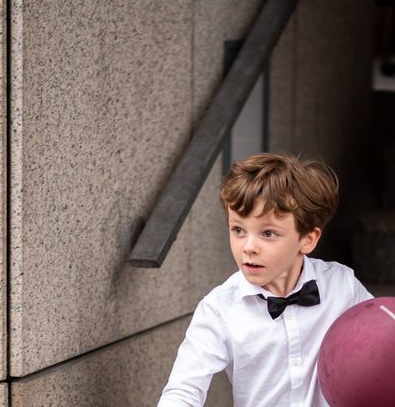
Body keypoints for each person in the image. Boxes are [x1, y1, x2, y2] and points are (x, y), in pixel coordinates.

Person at [158, 153, 373, 407]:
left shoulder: (341, 285)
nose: (248, 247)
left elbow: (385, 342)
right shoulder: (219, 309)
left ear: (308, 239)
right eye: (238, 230)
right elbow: (183, 391)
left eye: (268, 233)